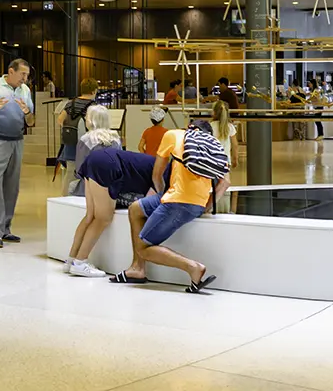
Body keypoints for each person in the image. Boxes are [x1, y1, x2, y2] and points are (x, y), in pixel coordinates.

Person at [111, 98, 231, 291]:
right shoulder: (213, 146)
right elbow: (225, 182)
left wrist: (162, 194)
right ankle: (137, 268)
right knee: (135, 209)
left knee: (143, 247)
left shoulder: (174, 135)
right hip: (192, 202)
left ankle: (193, 268)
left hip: (176, 201)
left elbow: (157, 174)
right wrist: (206, 205)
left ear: (189, 127)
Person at [64, 143, 157, 278]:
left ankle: (71, 260)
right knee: (103, 218)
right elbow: (148, 202)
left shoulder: (158, 164)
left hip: (97, 159)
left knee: (90, 215)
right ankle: (80, 262)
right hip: (108, 165)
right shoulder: (167, 174)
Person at [0, 58, 35, 247]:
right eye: (23, 74)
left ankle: (5, 228)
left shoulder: (25, 91)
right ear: (11, 71)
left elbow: (31, 121)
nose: (25, 79)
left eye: (27, 75)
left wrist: (27, 112)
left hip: (17, 141)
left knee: (12, 186)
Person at [56, 78, 99, 190]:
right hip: (87, 144)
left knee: (70, 171)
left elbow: (60, 120)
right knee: (88, 172)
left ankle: (65, 198)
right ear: (94, 91)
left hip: (70, 142)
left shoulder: (71, 103)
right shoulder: (93, 106)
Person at [70, 102, 118, 194]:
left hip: (89, 187)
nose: (85, 118)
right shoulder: (116, 139)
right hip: (111, 186)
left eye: (87, 117)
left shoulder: (86, 140)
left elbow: (80, 169)